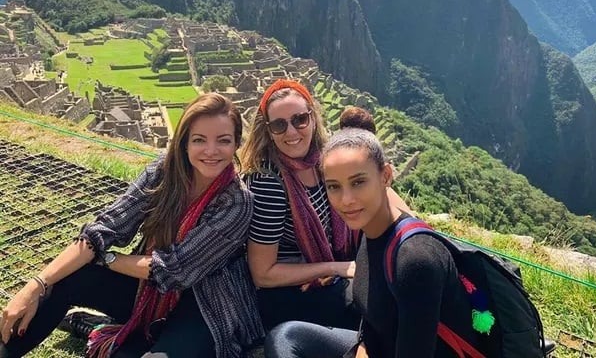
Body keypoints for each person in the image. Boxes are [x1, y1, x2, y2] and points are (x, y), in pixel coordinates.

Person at [0, 93, 263, 358]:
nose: (210, 151)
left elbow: (173, 270)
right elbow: (104, 229)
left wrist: (108, 258)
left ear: (236, 144)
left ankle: (97, 327)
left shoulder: (237, 202)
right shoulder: (163, 173)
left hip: (206, 304)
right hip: (147, 290)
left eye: (223, 141)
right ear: (184, 143)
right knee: (62, 279)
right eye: (199, 140)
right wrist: (34, 286)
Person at [264, 128, 476, 358]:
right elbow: (373, 325)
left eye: (358, 182)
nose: (346, 200)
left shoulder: (415, 260)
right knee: (286, 338)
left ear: (385, 176)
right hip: (383, 347)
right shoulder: (370, 235)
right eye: (334, 186)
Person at [240, 79, 359, 331]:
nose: (291, 132)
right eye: (279, 125)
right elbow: (263, 273)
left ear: (313, 119)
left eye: (299, 120)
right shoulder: (269, 181)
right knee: (377, 302)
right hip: (288, 295)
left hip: (324, 279)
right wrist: (333, 268)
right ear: (268, 131)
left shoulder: (322, 162)